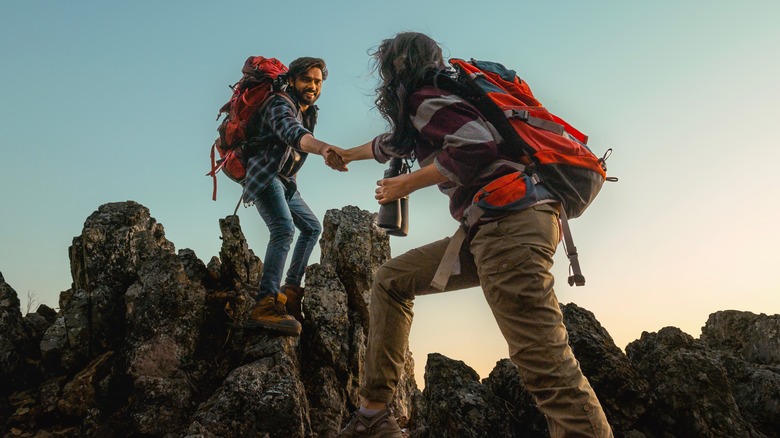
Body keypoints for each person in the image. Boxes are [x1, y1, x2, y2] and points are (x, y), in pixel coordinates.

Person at [326, 33, 613, 437]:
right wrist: (342, 154)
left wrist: (405, 185)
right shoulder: (440, 101)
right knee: (391, 280)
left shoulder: (425, 98)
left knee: (546, 365)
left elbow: (474, 144)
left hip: (508, 229)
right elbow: (390, 144)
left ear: (397, 66)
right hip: (495, 228)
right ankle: (373, 416)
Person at [243, 56, 345, 337]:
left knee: (312, 228)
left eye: (317, 81)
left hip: (285, 182)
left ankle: (290, 293)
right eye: (307, 80)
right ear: (292, 80)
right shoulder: (279, 103)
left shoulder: (308, 111)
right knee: (283, 229)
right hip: (265, 176)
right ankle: (265, 303)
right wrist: (323, 148)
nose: (313, 86)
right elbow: (291, 133)